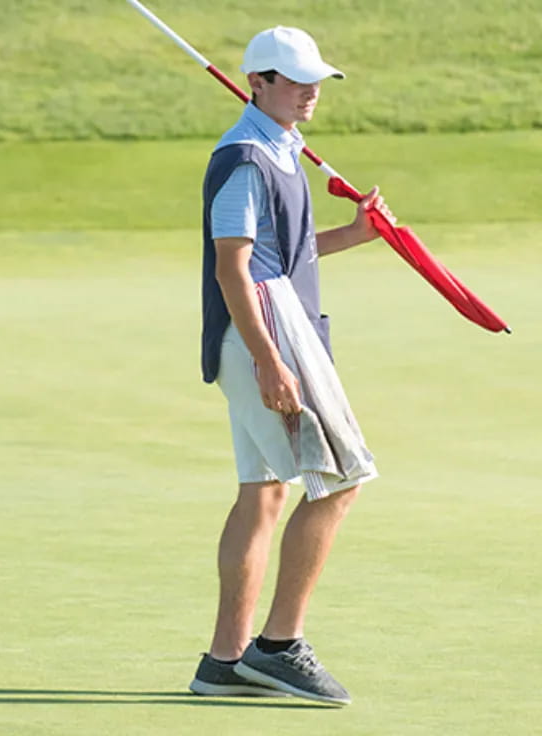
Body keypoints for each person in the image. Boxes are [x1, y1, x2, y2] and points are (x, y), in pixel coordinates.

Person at [188, 25, 395, 707]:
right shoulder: (247, 158)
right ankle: (278, 647)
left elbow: (290, 252)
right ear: (259, 82)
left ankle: (224, 660)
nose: (310, 92)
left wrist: (356, 236)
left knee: (266, 491)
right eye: (294, 79)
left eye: (315, 80)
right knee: (339, 481)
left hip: (271, 325)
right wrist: (269, 361)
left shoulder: (282, 148)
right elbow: (233, 268)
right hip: (265, 333)